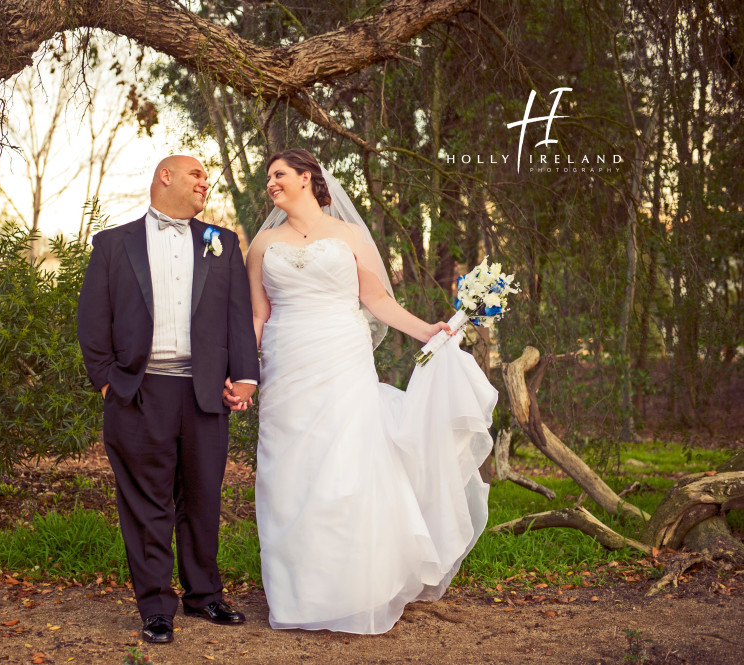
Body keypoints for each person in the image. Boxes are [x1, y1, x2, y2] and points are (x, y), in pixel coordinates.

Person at [246, 149, 497, 634]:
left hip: (342, 358)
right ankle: (296, 597)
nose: (271, 184)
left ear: (307, 178)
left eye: (279, 175)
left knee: (345, 468)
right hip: (286, 365)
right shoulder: (262, 245)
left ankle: (353, 590)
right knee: (289, 473)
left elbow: (377, 299)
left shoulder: (349, 235)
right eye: (269, 177)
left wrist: (427, 330)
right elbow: (258, 316)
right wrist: (243, 373)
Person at [77, 155, 259, 644]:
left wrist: (244, 377)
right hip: (139, 391)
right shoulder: (114, 244)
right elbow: (93, 320)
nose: (205, 183)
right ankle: (156, 606)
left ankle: (204, 595)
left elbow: (238, 316)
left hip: (203, 392)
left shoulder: (222, 243)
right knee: (147, 503)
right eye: (197, 175)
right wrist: (108, 383)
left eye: (206, 178)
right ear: (165, 177)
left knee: (202, 497)